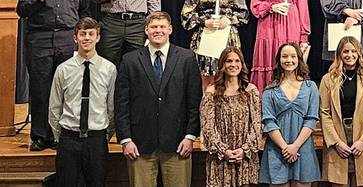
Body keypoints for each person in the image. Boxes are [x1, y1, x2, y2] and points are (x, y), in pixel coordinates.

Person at [17, 0, 90, 151]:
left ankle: (62, 134)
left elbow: (83, 10)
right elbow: (21, 10)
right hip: (39, 39)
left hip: (67, 39)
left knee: (66, 89)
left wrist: (82, 37)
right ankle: (40, 135)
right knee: (40, 89)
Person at [114, 11, 202, 187]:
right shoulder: (130, 60)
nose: (158, 30)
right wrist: (125, 140)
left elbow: (194, 101)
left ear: (170, 29)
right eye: (154, 27)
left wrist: (190, 136)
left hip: (178, 144)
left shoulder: (187, 58)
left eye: (162, 26)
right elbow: (121, 103)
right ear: (146, 30)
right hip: (139, 145)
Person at [48, 17, 116, 186]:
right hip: (69, 139)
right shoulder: (63, 69)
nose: (87, 38)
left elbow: (112, 107)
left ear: (98, 38)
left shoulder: (109, 69)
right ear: (75, 38)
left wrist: (104, 135)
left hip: (96, 139)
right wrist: (61, 136)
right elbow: (54, 107)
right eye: (82, 34)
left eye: (91, 34)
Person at [181, 0, 249, 87]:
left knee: (229, 78)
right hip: (205, 39)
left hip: (228, 39)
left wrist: (228, 20)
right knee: (205, 81)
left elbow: (244, 14)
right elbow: (186, 15)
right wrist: (205, 21)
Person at [319, 37, 363, 187]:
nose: (350, 55)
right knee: (339, 182)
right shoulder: (328, 80)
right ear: (339, 54)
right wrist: (336, 142)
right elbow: (324, 113)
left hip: (361, 135)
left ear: (359, 54)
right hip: (338, 135)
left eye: (354, 51)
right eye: (345, 51)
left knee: (362, 181)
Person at [260, 43, 321, 186]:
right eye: (284, 56)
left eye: (293, 56)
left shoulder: (310, 86)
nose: (289, 60)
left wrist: (295, 146)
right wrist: (285, 148)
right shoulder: (270, 90)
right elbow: (269, 122)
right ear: (279, 60)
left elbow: (311, 119)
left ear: (299, 59)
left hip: (303, 148)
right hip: (277, 149)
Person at [200, 47, 261, 187]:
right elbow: (207, 127)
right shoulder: (212, 92)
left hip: (244, 159)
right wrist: (223, 151)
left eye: (236, 61)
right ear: (222, 64)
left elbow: (257, 125)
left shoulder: (251, 90)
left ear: (242, 64)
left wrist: (244, 150)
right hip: (220, 160)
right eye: (229, 61)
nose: (233, 64)